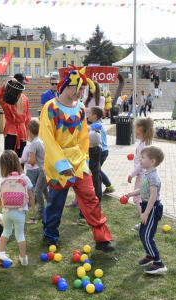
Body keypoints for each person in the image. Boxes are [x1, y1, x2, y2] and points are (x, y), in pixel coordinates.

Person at [39, 65, 115, 252]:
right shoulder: (50, 108)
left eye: (83, 89)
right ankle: (50, 235)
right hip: (58, 164)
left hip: (79, 162)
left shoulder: (81, 108)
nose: (80, 92)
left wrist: (85, 161)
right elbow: (47, 138)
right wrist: (61, 163)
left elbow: (83, 138)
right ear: (67, 85)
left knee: (91, 199)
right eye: (78, 88)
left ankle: (102, 238)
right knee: (56, 202)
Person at [125, 146, 167, 274]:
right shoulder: (146, 173)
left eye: (143, 158)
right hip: (145, 206)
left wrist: (145, 213)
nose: (140, 160)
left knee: (147, 236)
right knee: (142, 234)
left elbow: (153, 197)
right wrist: (132, 194)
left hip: (152, 208)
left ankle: (158, 263)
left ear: (152, 161)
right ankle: (150, 256)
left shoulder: (153, 177)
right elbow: (144, 190)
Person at [0, 150, 36, 265]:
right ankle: (23, 258)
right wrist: (34, 207)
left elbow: (0, 198)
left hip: (7, 212)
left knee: (6, 231)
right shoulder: (24, 179)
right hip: (20, 213)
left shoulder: (4, 181)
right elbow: (30, 194)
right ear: (17, 162)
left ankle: (1, 252)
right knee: (19, 234)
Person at [128, 118, 154, 230]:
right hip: (144, 175)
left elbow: (141, 165)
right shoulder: (144, 143)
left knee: (137, 199)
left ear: (141, 129)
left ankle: (145, 221)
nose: (134, 130)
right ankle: (146, 220)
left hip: (142, 176)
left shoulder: (143, 145)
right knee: (142, 199)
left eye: (136, 128)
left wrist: (131, 174)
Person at [0, 73, 31, 157]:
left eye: (23, 84)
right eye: (21, 83)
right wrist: (6, 84)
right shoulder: (9, 97)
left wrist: (29, 131)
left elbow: (27, 117)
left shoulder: (25, 98)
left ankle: (20, 170)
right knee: (9, 158)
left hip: (22, 131)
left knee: (22, 158)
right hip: (11, 130)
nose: (22, 85)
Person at [77, 123, 103, 226]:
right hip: (97, 177)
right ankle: (97, 215)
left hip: (88, 178)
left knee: (85, 198)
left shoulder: (86, 151)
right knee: (97, 196)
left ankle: (83, 216)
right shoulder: (99, 149)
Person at [26, 120, 49, 222]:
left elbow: (32, 161)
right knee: (44, 190)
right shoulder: (40, 140)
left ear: (29, 131)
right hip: (47, 169)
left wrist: (24, 159)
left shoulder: (33, 144)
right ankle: (50, 206)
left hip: (43, 171)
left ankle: (41, 211)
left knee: (38, 190)